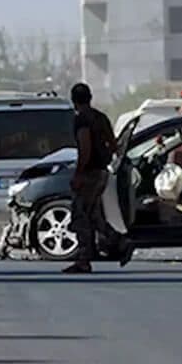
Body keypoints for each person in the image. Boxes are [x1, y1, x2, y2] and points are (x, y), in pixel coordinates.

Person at [63, 83, 134, 274]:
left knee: (80, 216)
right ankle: (120, 241)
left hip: (89, 173)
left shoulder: (82, 120)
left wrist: (79, 173)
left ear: (74, 100)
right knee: (94, 216)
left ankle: (83, 259)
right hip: (101, 172)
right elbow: (114, 144)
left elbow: (85, 148)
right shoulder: (101, 117)